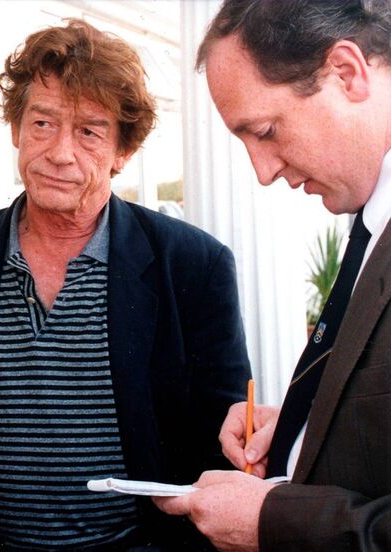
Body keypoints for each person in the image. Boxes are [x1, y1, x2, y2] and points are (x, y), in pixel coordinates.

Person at [0, 18, 251, 551]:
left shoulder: (192, 266)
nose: (60, 152)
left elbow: (224, 436)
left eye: (89, 131)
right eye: (42, 123)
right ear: (17, 130)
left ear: (123, 152)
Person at [154, 1, 391, 550]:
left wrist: (272, 520)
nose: (262, 172)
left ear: (346, 72)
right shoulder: (370, 227)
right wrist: (311, 424)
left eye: (265, 130)